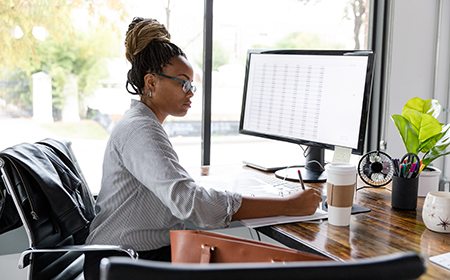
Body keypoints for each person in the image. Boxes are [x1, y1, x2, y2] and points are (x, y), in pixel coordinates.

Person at [83, 17, 322, 279]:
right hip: (123, 263)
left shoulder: (143, 123)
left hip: (142, 254)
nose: (191, 92)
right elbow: (192, 204)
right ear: (151, 83)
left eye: (192, 85)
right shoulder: (140, 129)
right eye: (183, 83)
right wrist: (288, 205)